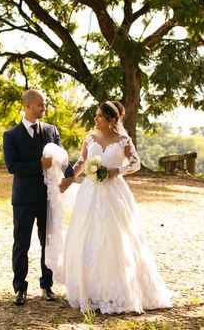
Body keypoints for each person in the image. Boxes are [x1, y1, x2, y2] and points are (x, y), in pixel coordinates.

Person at [59, 101, 173, 314]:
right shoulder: (90, 138)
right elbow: (81, 162)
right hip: (90, 193)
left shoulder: (123, 140)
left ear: (112, 119)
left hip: (113, 193)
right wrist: (68, 178)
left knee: (115, 238)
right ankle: (90, 290)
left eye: (99, 116)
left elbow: (135, 164)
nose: (95, 119)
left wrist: (116, 171)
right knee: (86, 236)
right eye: (96, 115)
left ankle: (116, 290)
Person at [2, 89, 74, 306]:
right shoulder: (11, 135)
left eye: (45, 105)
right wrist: (38, 165)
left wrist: (70, 175)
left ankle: (47, 285)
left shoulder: (51, 130)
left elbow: (62, 157)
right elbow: (12, 166)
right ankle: (20, 288)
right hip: (24, 198)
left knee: (48, 242)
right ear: (27, 106)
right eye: (40, 105)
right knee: (21, 243)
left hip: (48, 197)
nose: (44, 109)